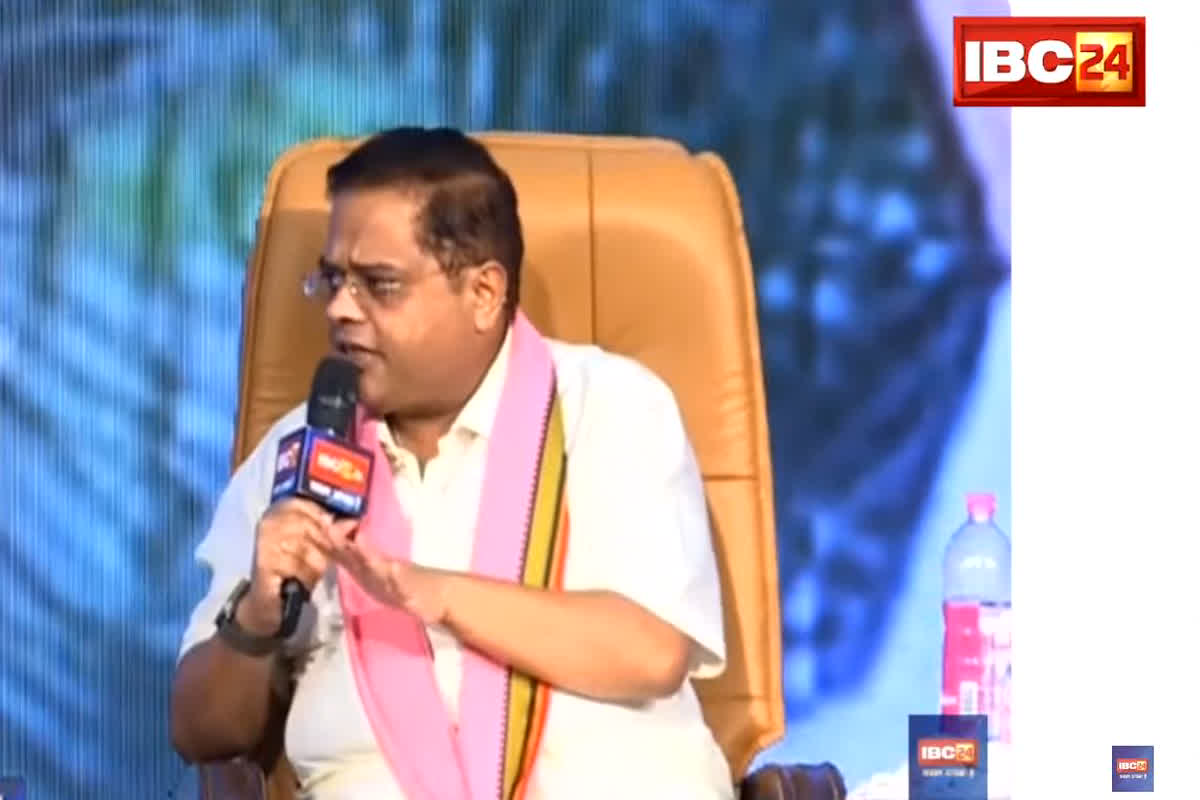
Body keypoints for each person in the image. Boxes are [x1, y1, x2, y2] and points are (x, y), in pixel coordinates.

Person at [169, 127, 734, 800]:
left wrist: (432, 595)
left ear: (484, 293)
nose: (341, 309)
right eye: (333, 279)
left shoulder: (611, 406)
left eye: (379, 284)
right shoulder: (296, 453)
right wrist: (257, 618)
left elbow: (652, 652)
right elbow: (201, 733)